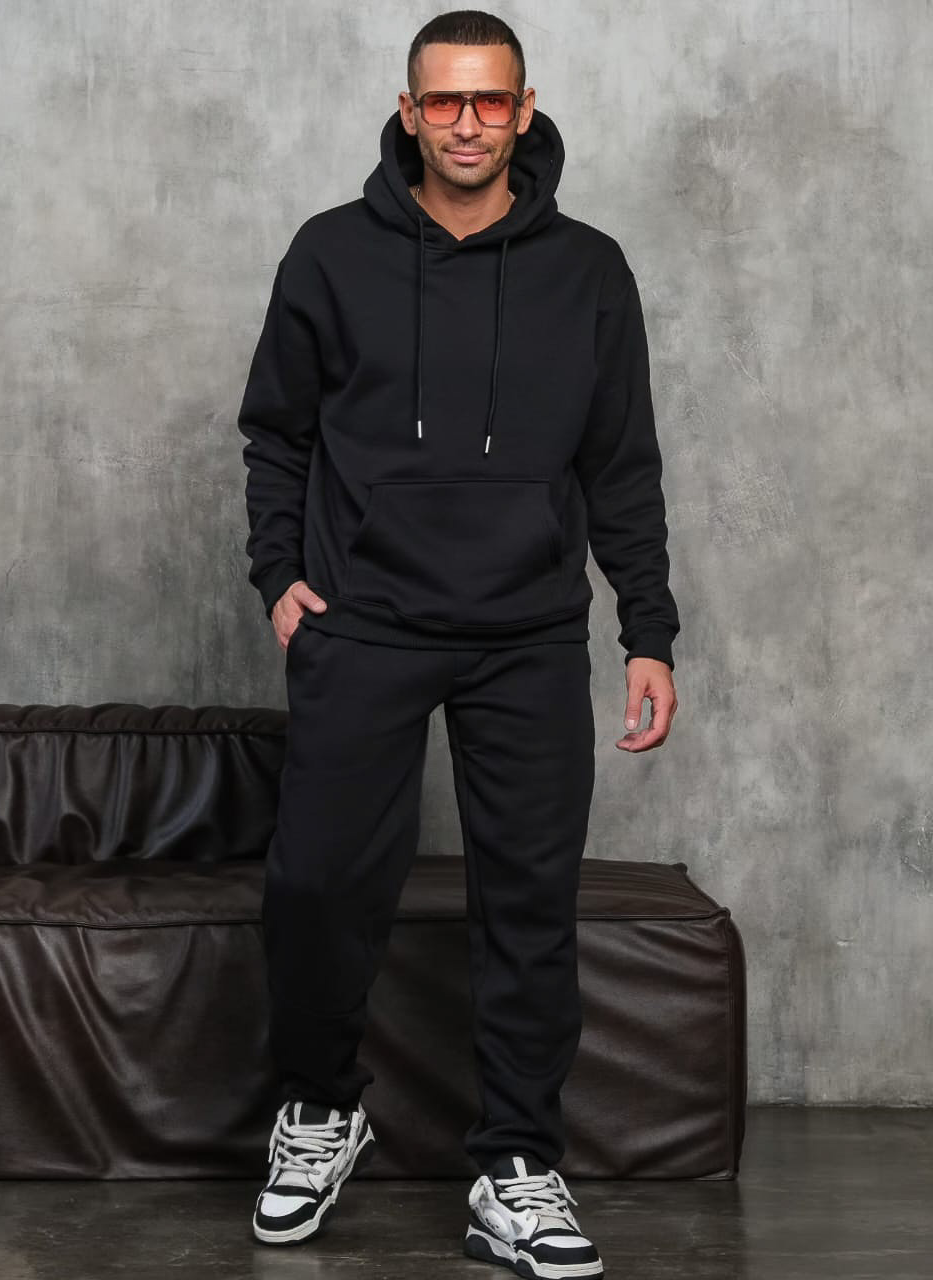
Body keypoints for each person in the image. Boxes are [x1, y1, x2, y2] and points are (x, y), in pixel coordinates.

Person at [237, 10, 679, 1276]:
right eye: (445, 102)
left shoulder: (588, 270)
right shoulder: (331, 253)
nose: (468, 123)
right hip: (365, 620)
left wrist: (646, 628)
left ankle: (514, 1164)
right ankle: (321, 1106)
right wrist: (279, 574)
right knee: (318, 885)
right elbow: (277, 431)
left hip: (526, 631)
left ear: (524, 110)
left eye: (490, 101)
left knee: (529, 901)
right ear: (409, 110)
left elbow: (621, 462)